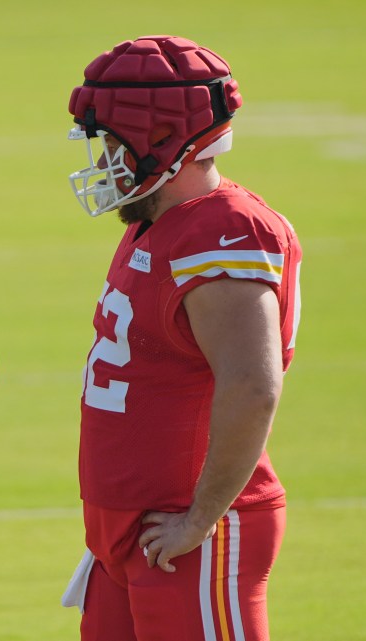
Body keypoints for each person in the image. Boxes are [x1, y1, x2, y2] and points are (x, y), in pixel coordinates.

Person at [58, 36, 302, 640]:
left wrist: (199, 520)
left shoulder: (224, 232)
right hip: (135, 533)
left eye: (114, 144)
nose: (103, 161)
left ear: (162, 140)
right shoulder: (157, 219)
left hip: (188, 536)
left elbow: (252, 388)